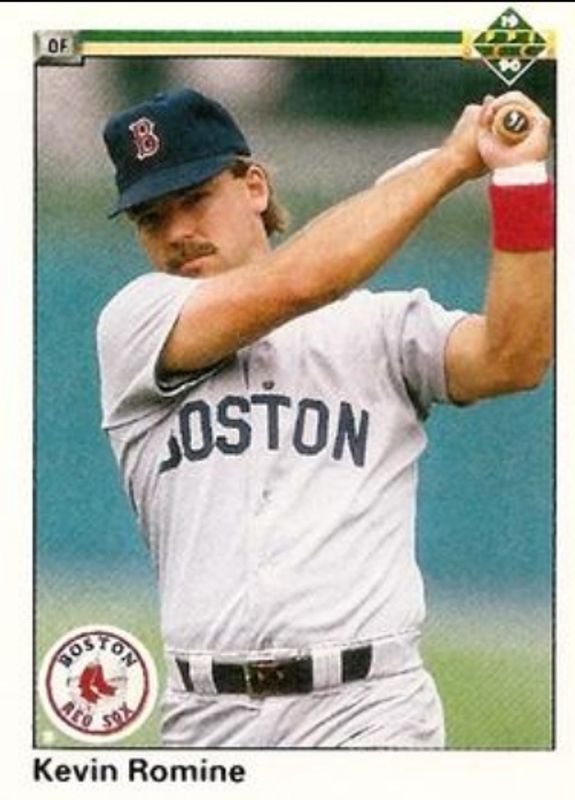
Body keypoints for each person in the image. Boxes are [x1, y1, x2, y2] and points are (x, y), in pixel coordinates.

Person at [97, 87, 553, 748]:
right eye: (150, 218)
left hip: (369, 708)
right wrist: (451, 163)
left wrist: (519, 181)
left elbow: (514, 358)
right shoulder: (134, 325)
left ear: (254, 187)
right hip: (207, 718)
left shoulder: (380, 327)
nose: (176, 233)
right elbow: (300, 284)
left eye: (195, 198)